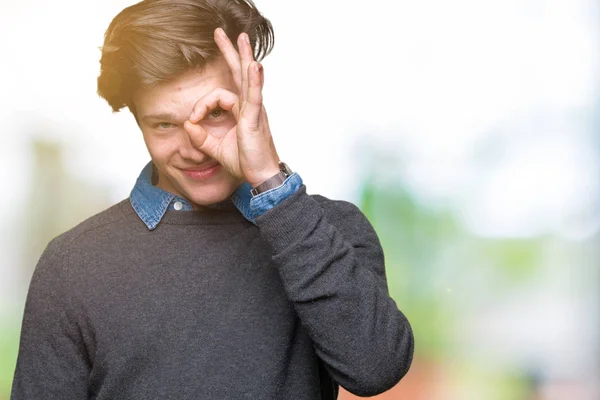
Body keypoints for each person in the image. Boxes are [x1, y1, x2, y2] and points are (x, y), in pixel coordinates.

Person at [11, 0, 414, 399]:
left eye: (216, 113)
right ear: (136, 118)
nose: (196, 146)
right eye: (165, 124)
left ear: (251, 92)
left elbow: (375, 369)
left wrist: (272, 186)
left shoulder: (327, 231)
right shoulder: (73, 264)